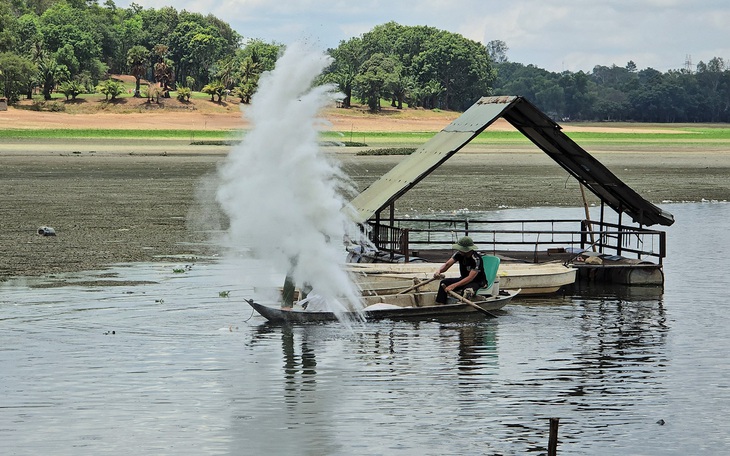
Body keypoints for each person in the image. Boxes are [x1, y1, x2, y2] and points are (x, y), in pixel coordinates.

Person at [433, 236, 487, 304]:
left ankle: (464, 305)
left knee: (467, 291)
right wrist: (439, 271)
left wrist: (454, 285)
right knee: (444, 283)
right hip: (463, 278)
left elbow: (470, 278)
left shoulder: (476, 259)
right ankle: (440, 304)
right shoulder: (459, 254)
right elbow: (447, 265)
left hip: (477, 282)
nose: (460, 250)